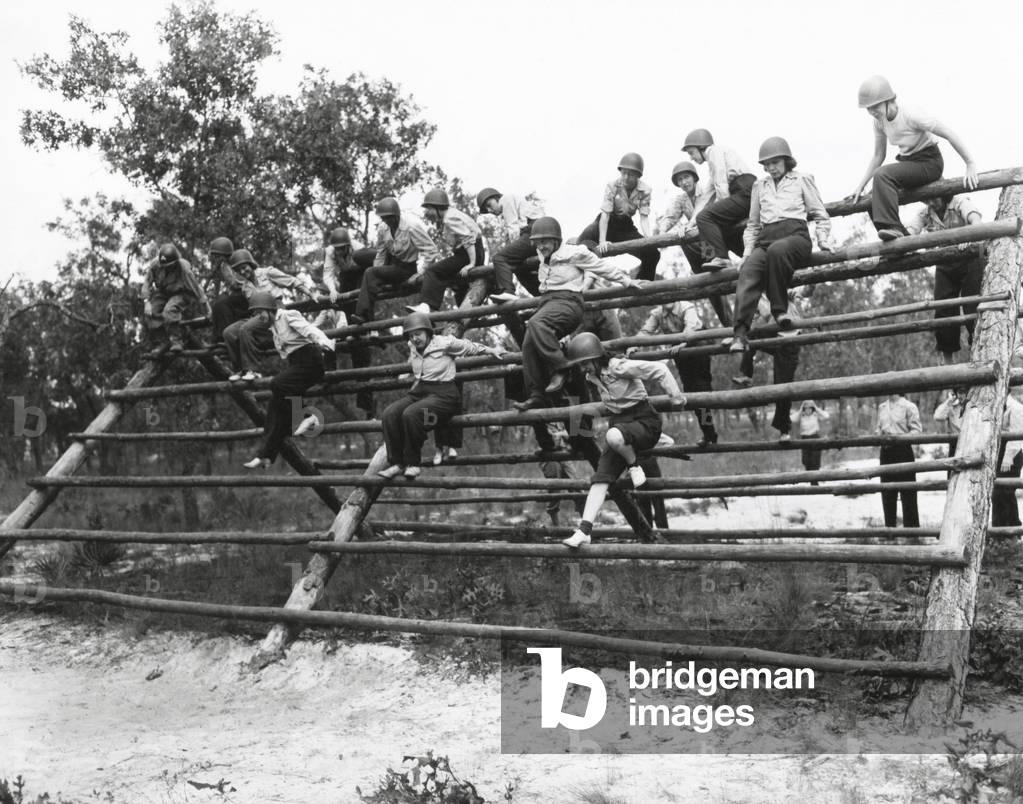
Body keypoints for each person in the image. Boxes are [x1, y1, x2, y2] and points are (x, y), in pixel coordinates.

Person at [560, 332, 685, 548]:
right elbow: (610, 406)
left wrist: (677, 398)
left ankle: (634, 465)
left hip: (645, 421)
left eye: (584, 364)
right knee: (600, 478)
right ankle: (584, 531)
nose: (583, 370)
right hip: (621, 427)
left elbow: (660, 369)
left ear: (595, 357)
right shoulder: (593, 377)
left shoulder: (618, 366)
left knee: (612, 436)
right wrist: (576, 413)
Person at [512, 216, 640, 411]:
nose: (541, 246)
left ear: (556, 240)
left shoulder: (575, 252)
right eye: (537, 243)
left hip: (568, 302)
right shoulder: (541, 254)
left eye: (544, 242)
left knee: (536, 323)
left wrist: (627, 281)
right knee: (529, 342)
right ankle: (537, 394)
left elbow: (601, 266)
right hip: (547, 302)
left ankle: (564, 367)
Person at [730, 137, 832, 353]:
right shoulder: (760, 185)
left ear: (787, 161)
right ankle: (739, 333)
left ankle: (779, 309)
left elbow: (819, 213)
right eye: (766, 165)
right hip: (767, 237)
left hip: (795, 235)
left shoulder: (802, 179)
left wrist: (822, 239)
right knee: (749, 270)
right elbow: (753, 224)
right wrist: (747, 252)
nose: (771, 168)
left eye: (775, 163)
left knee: (778, 251)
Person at [378, 312, 505, 480]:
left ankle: (413, 464)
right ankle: (397, 463)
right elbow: (414, 360)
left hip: (445, 394)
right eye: (411, 335)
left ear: (428, 332)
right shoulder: (412, 346)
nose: (415, 338)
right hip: (421, 390)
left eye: (418, 334)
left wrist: (491, 350)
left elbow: (469, 347)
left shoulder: (445, 343)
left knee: (412, 415)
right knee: (389, 414)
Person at [851, 74, 979, 241]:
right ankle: (898, 238)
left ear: (888, 100)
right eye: (868, 108)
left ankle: (894, 229)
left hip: (930, 162)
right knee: (873, 194)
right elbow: (878, 155)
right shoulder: (879, 122)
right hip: (909, 164)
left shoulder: (910, 114)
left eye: (875, 106)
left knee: (882, 175)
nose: (872, 112)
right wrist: (860, 186)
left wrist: (970, 163)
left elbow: (947, 132)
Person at [242, 294, 336, 469]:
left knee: (277, 384)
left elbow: (309, 330)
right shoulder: (272, 328)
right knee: (275, 409)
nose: (259, 317)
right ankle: (266, 456)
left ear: (270, 309)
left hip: (311, 362)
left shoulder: (287, 315)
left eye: (260, 312)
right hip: (297, 365)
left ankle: (308, 417)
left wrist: (325, 342)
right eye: (256, 314)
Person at [679, 129, 756, 326]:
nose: (692, 157)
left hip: (745, 190)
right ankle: (726, 255)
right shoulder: (711, 166)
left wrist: (721, 210)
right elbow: (706, 195)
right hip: (741, 193)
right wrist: (690, 223)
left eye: (692, 152)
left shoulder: (714, 152)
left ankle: (720, 257)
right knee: (707, 218)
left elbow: (722, 185)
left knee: (708, 217)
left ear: (701, 147)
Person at [907, 194, 987, 364]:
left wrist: (968, 236)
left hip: (970, 257)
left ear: (944, 195)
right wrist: (905, 237)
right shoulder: (926, 213)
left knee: (972, 305)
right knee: (943, 308)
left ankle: (979, 352)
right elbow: (910, 231)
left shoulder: (959, 202)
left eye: (933, 198)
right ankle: (948, 362)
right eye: (926, 200)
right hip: (946, 262)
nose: (931, 202)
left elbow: (976, 220)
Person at [636, 300, 718, 447]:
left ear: (676, 298)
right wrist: (633, 345)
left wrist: (683, 343)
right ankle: (708, 432)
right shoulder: (657, 313)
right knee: (690, 393)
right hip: (679, 350)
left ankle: (709, 432)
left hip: (697, 344)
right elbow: (645, 331)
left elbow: (691, 327)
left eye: (670, 297)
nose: (667, 301)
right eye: (663, 298)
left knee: (702, 391)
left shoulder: (686, 307)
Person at [353, 198, 439, 324]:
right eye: (384, 218)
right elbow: (381, 253)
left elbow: (431, 251)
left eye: (389, 218)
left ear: (396, 216)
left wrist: (420, 273)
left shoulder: (411, 227)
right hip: (392, 265)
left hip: (407, 268)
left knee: (370, 273)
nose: (387, 221)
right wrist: (378, 272)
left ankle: (362, 315)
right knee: (370, 273)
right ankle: (365, 316)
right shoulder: (383, 228)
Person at [731, 294, 804, 441]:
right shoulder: (759, 294)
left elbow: (804, 291)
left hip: (790, 341)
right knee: (750, 334)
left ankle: (784, 431)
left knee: (782, 387)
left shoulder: (783, 286)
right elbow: (759, 317)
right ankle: (747, 374)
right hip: (774, 336)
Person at [577, 153, 661, 280]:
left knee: (653, 254)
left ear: (638, 176)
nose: (626, 177)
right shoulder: (612, 185)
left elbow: (643, 217)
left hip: (626, 227)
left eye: (631, 174)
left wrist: (648, 239)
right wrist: (602, 241)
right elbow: (605, 215)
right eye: (624, 173)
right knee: (582, 243)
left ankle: (641, 290)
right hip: (607, 223)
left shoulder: (645, 190)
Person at [413, 188, 485, 313]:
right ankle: (469, 312)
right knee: (456, 283)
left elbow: (468, 239)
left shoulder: (449, 218)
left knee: (433, 271)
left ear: (437, 207)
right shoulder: (450, 215)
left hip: (469, 253)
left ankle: (427, 305)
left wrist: (471, 264)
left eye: (429, 209)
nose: (428, 213)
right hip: (469, 252)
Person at [476, 187, 545, 302]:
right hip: (537, 233)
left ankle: (508, 292)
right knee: (519, 270)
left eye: (489, 204)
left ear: (496, 198)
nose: (490, 210)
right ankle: (541, 295)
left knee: (499, 258)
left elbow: (513, 228)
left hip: (534, 231)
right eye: (486, 209)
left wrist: (511, 252)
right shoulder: (509, 206)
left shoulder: (506, 199)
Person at [142, 244, 211, 353]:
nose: (167, 268)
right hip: (164, 292)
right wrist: (147, 302)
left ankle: (176, 340)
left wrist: (208, 309)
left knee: (169, 310)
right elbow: (147, 282)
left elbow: (197, 288)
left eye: (170, 265)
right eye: (164, 266)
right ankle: (163, 341)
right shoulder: (155, 265)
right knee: (150, 312)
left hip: (182, 293)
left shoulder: (184, 268)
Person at [875, 393, 922, 528]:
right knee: (887, 490)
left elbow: (916, 430)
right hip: (886, 452)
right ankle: (890, 529)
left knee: (908, 490)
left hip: (903, 451)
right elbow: (878, 427)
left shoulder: (909, 406)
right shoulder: (882, 407)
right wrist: (878, 436)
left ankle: (912, 531)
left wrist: (901, 439)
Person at [207, 236, 247, 343]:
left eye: (217, 256)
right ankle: (218, 338)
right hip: (236, 295)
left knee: (222, 304)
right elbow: (222, 288)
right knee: (219, 304)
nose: (215, 259)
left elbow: (237, 284)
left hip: (246, 295)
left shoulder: (235, 263)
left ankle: (223, 338)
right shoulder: (223, 266)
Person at [993, 393, 1023, 527]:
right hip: (1001, 450)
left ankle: (1011, 527)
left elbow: (1016, 435)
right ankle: (999, 527)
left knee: (1006, 490)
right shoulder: (997, 404)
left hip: (1013, 452)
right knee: (998, 491)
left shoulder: (1015, 407)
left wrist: (1008, 458)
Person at [658, 161, 701, 235]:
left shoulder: (706, 192)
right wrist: (662, 230)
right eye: (680, 179)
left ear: (694, 177)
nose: (684, 182)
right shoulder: (682, 200)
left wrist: (688, 225)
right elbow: (671, 217)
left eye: (686, 177)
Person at [792, 400, 829, 481]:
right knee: (806, 460)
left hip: (815, 437)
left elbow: (826, 416)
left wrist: (815, 407)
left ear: (812, 409)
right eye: (806, 408)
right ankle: (810, 478)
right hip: (805, 438)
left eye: (810, 408)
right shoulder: (801, 416)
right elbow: (792, 419)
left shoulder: (816, 415)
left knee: (815, 459)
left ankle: (815, 479)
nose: (808, 410)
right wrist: (801, 407)